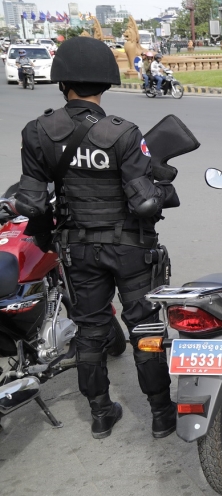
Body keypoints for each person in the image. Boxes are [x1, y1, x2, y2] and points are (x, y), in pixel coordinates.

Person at [12, 37, 178, 439]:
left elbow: (31, 204)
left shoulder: (37, 133)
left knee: (89, 329)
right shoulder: (123, 133)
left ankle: (101, 413)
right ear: (104, 82)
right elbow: (143, 204)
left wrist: (49, 237)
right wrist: (163, 190)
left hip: (77, 248)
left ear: (61, 81)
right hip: (129, 248)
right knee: (144, 329)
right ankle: (160, 413)